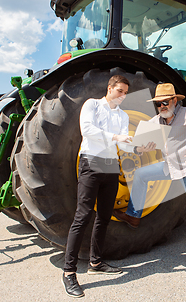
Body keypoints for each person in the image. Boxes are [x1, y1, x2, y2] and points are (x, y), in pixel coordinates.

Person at [62, 75, 152, 298]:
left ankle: (96, 262)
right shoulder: (92, 104)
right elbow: (88, 131)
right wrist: (117, 137)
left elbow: (122, 144)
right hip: (91, 162)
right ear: (109, 88)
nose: (122, 96)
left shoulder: (122, 115)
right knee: (82, 216)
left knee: (104, 216)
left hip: (111, 165)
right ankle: (69, 272)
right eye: (119, 91)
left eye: (125, 92)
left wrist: (138, 148)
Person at [114, 83, 186, 269]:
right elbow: (139, 143)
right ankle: (134, 215)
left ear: (174, 101)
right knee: (141, 174)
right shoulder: (156, 121)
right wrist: (140, 147)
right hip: (171, 166)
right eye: (159, 103)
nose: (162, 106)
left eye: (165, 102)